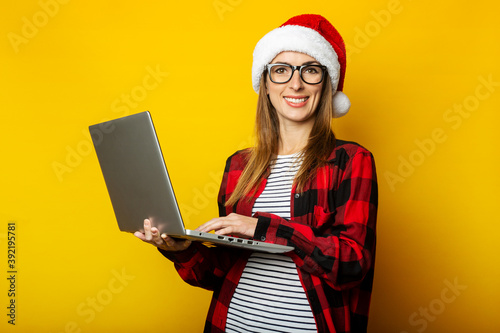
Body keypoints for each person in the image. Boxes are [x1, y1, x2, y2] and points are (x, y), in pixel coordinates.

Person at [135, 14, 378, 333]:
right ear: (264, 84)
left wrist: (263, 227)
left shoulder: (351, 160)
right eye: (281, 70)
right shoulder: (238, 166)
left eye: (311, 70)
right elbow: (220, 272)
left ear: (326, 84)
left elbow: (352, 264)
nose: (295, 83)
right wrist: (181, 249)